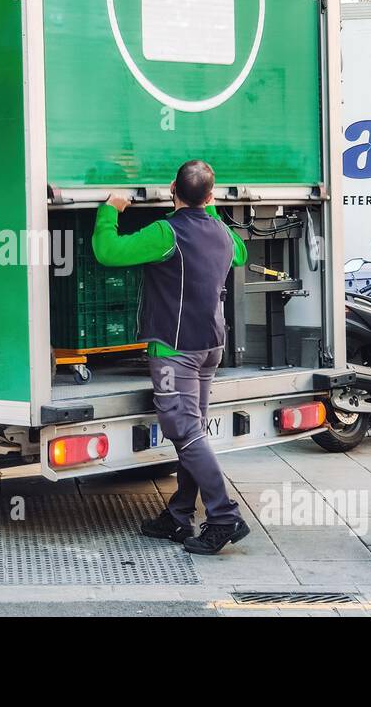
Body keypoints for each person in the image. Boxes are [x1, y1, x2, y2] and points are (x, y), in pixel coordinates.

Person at [92, 160, 251, 555]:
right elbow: (242, 256)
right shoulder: (224, 233)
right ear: (211, 196)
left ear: (171, 190)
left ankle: (223, 515)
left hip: (175, 351)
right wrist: (210, 210)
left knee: (185, 432)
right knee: (192, 431)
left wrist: (111, 208)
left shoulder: (167, 233)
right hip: (211, 346)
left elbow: (107, 251)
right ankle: (179, 515)